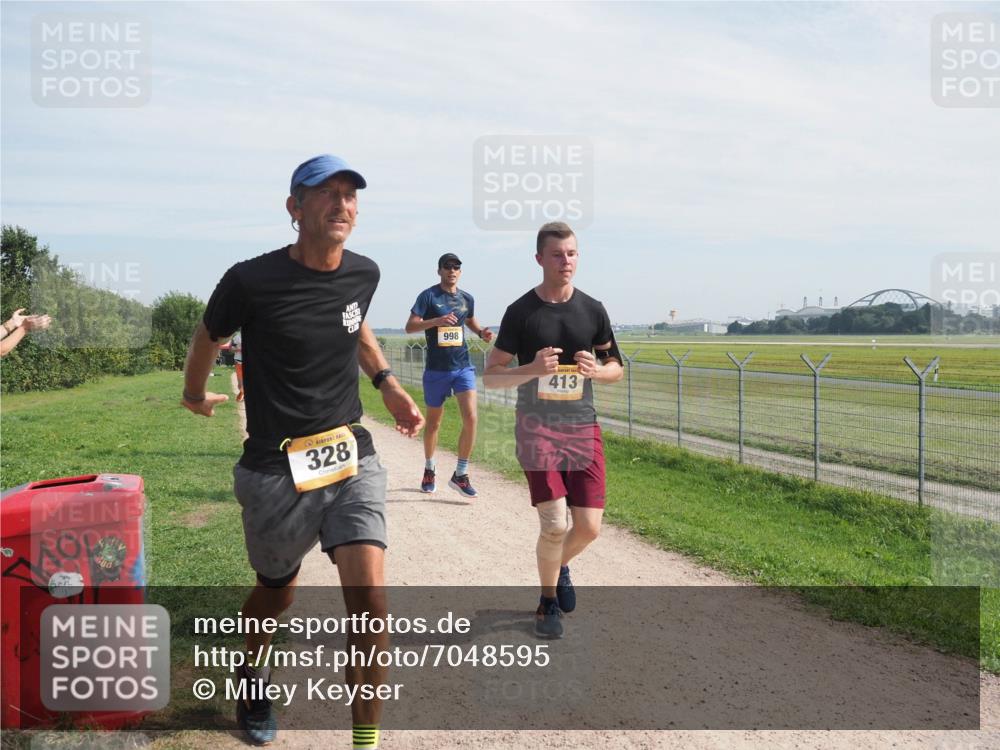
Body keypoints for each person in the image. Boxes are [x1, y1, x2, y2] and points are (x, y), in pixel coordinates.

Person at [181, 154, 424, 748]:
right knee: (277, 590)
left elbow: (354, 324)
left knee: (371, 606)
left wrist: (387, 384)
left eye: (350, 194)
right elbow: (209, 335)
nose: (342, 204)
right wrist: (193, 394)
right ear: (294, 207)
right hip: (275, 466)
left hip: (349, 453)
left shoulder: (364, 273)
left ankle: (364, 741)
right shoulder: (250, 280)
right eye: (326, 193)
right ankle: (252, 673)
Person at [483, 222, 622, 639]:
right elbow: (491, 376)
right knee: (555, 524)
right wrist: (530, 368)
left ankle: (557, 565)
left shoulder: (593, 309)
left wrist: (597, 371)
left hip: (582, 426)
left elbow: (616, 367)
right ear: (539, 258)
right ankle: (547, 603)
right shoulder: (521, 312)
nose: (566, 261)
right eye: (558, 254)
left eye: (572, 253)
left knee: (589, 527)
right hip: (537, 427)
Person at [405, 253, 493, 497]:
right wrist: (436, 321)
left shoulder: (467, 298)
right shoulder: (428, 296)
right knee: (434, 423)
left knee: (471, 418)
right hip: (437, 370)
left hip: (463, 367)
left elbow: (471, 322)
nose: (452, 270)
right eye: (447, 267)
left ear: (460, 272)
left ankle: (460, 474)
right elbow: (410, 327)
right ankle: (429, 469)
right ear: (439, 271)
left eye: (456, 267)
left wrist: (481, 332)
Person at [231, 329, 245, 401]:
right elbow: (231, 349)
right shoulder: (236, 337)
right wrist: (239, 349)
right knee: (240, 385)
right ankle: (242, 392)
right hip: (238, 362)